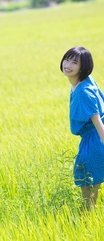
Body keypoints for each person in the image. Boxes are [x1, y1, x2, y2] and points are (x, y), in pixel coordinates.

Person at [60, 46, 104, 210]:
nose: (68, 65)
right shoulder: (84, 81)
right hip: (92, 139)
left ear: (83, 67)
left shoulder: (83, 91)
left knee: (88, 187)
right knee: (92, 186)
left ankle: (86, 222)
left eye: (74, 62)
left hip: (95, 141)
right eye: (67, 59)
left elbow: (97, 122)